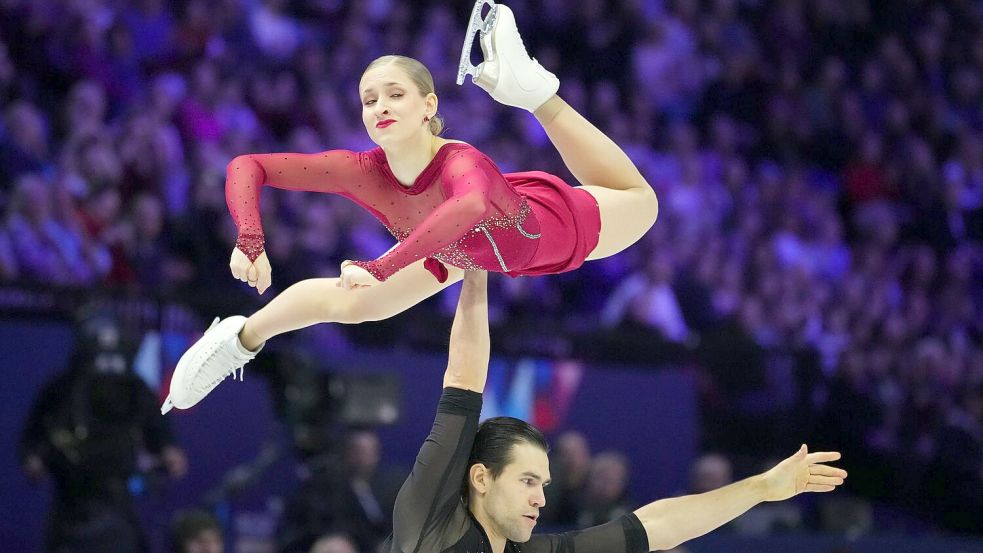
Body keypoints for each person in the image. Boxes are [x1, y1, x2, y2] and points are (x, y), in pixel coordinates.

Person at [162, 0, 659, 413]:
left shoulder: (461, 162)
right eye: (369, 99)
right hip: (454, 247)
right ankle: (238, 340)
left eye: (395, 94)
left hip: (541, 226)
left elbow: (469, 206)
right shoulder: (359, 170)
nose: (379, 106)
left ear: (429, 106)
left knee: (642, 204)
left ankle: (537, 96)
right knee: (356, 305)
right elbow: (247, 166)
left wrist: (382, 267)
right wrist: (250, 238)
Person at [375, 270, 847, 553]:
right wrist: (476, 273)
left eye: (543, 485)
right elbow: (463, 380)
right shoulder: (427, 521)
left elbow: (657, 526)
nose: (540, 499)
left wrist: (763, 487)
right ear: (481, 477)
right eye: (527, 481)